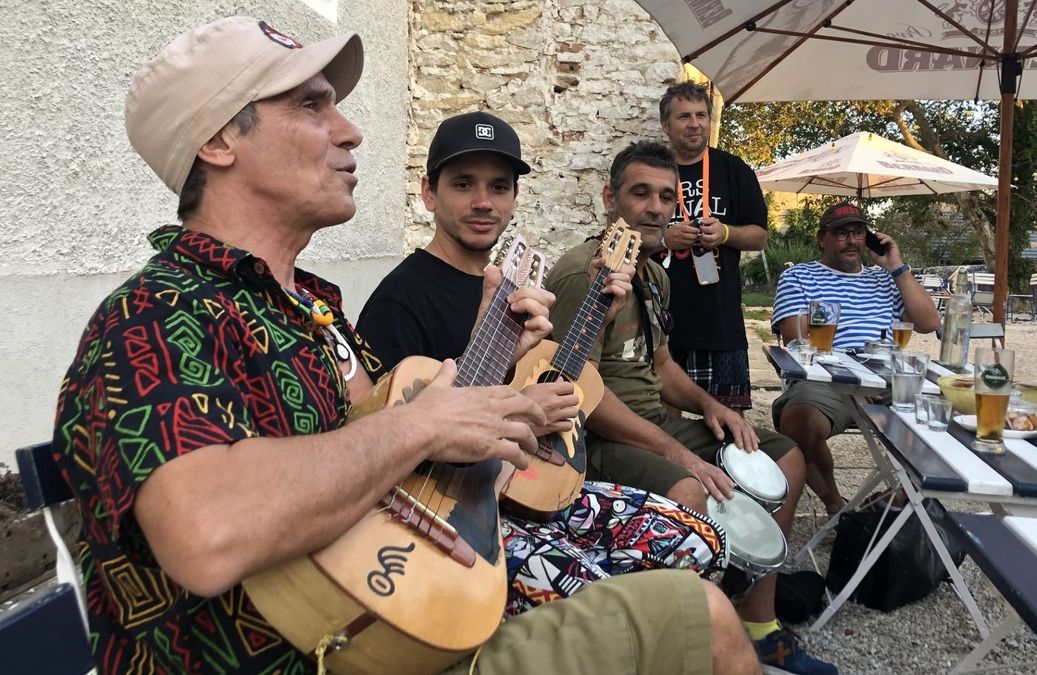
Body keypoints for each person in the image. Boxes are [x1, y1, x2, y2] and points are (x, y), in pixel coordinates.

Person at [51, 17, 758, 675]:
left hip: (407, 604)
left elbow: (420, 451)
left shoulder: (313, 307)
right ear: (218, 142)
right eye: (311, 107)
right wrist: (422, 422)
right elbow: (207, 532)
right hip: (318, 649)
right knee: (704, 618)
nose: (351, 131)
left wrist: (491, 352)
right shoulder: (155, 313)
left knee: (692, 546)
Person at [357, 111, 726, 615]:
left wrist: (597, 318)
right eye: (463, 184)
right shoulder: (400, 301)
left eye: (499, 186)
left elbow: (539, 377)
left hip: (521, 480)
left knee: (699, 541)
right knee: (632, 606)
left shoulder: (509, 285)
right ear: (428, 192)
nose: (484, 202)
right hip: (453, 510)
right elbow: (384, 447)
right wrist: (517, 405)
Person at [547, 140, 837, 675]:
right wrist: (678, 453)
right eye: (640, 194)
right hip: (597, 439)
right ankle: (702, 636)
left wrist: (711, 406)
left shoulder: (654, 272)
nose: (656, 208)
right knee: (690, 490)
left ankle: (756, 623)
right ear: (611, 198)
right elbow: (573, 388)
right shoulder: (580, 274)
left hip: (657, 421)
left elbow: (661, 366)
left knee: (785, 457)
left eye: (666, 196)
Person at [771, 202, 939, 514]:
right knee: (799, 420)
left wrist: (898, 267)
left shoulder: (887, 279)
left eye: (859, 232)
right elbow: (797, 339)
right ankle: (837, 506)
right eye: (842, 233)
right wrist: (856, 379)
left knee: (945, 417)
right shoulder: (798, 276)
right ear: (822, 239)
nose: (852, 240)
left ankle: (890, 502)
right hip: (827, 380)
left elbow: (929, 322)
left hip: (888, 378)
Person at [655, 81, 768, 411]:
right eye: (684, 116)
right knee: (665, 426)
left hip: (720, 324)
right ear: (666, 125)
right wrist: (665, 238)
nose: (695, 124)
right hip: (661, 324)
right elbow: (624, 231)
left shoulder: (734, 170)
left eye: (702, 115)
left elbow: (760, 236)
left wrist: (726, 234)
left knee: (729, 429)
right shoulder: (651, 169)